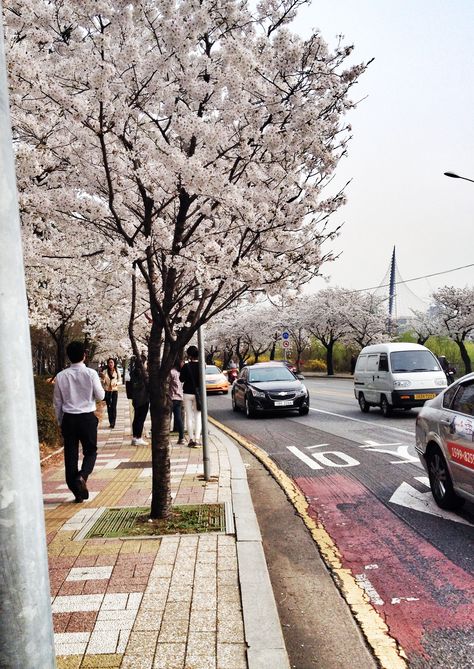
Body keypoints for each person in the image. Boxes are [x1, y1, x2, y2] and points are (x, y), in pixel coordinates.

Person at [53, 340, 105, 502]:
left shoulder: (61, 376)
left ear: (68, 356)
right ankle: (82, 476)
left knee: (71, 455)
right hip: (87, 418)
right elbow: (100, 396)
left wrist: (61, 421)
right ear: (84, 355)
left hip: (69, 418)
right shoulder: (91, 373)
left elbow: (57, 402)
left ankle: (77, 493)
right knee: (90, 451)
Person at [180, 345, 202, 448]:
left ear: (189, 355)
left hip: (187, 393)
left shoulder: (186, 366)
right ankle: (197, 439)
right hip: (198, 394)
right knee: (197, 416)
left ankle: (191, 440)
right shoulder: (202, 365)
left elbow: (181, 379)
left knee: (189, 417)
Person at [130, 354, 149, 446]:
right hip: (143, 398)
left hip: (136, 398)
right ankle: (138, 437)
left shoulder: (134, 371)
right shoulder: (143, 373)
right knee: (141, 419)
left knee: (136, 418)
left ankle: (135, 437)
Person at [100, 357, 121, 428]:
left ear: (114, 363)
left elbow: (120, 380)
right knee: (109, 407)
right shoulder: (105, 371)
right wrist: (103, 378)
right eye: (109, 362)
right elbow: (103, 382)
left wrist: (116, 384)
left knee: (114, 407)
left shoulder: (117, 371)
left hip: (114, 391)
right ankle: (110, 421)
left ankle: (113, 422)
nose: (110, 364)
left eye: (112, 362)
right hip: (107, 391)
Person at [169, 359, 185, 445]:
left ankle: (165, 436)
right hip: (179, 398)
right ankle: (181, 437)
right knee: (178, 418)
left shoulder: (172, 372)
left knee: (167, 417)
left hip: (171, 398)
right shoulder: (181, 373)